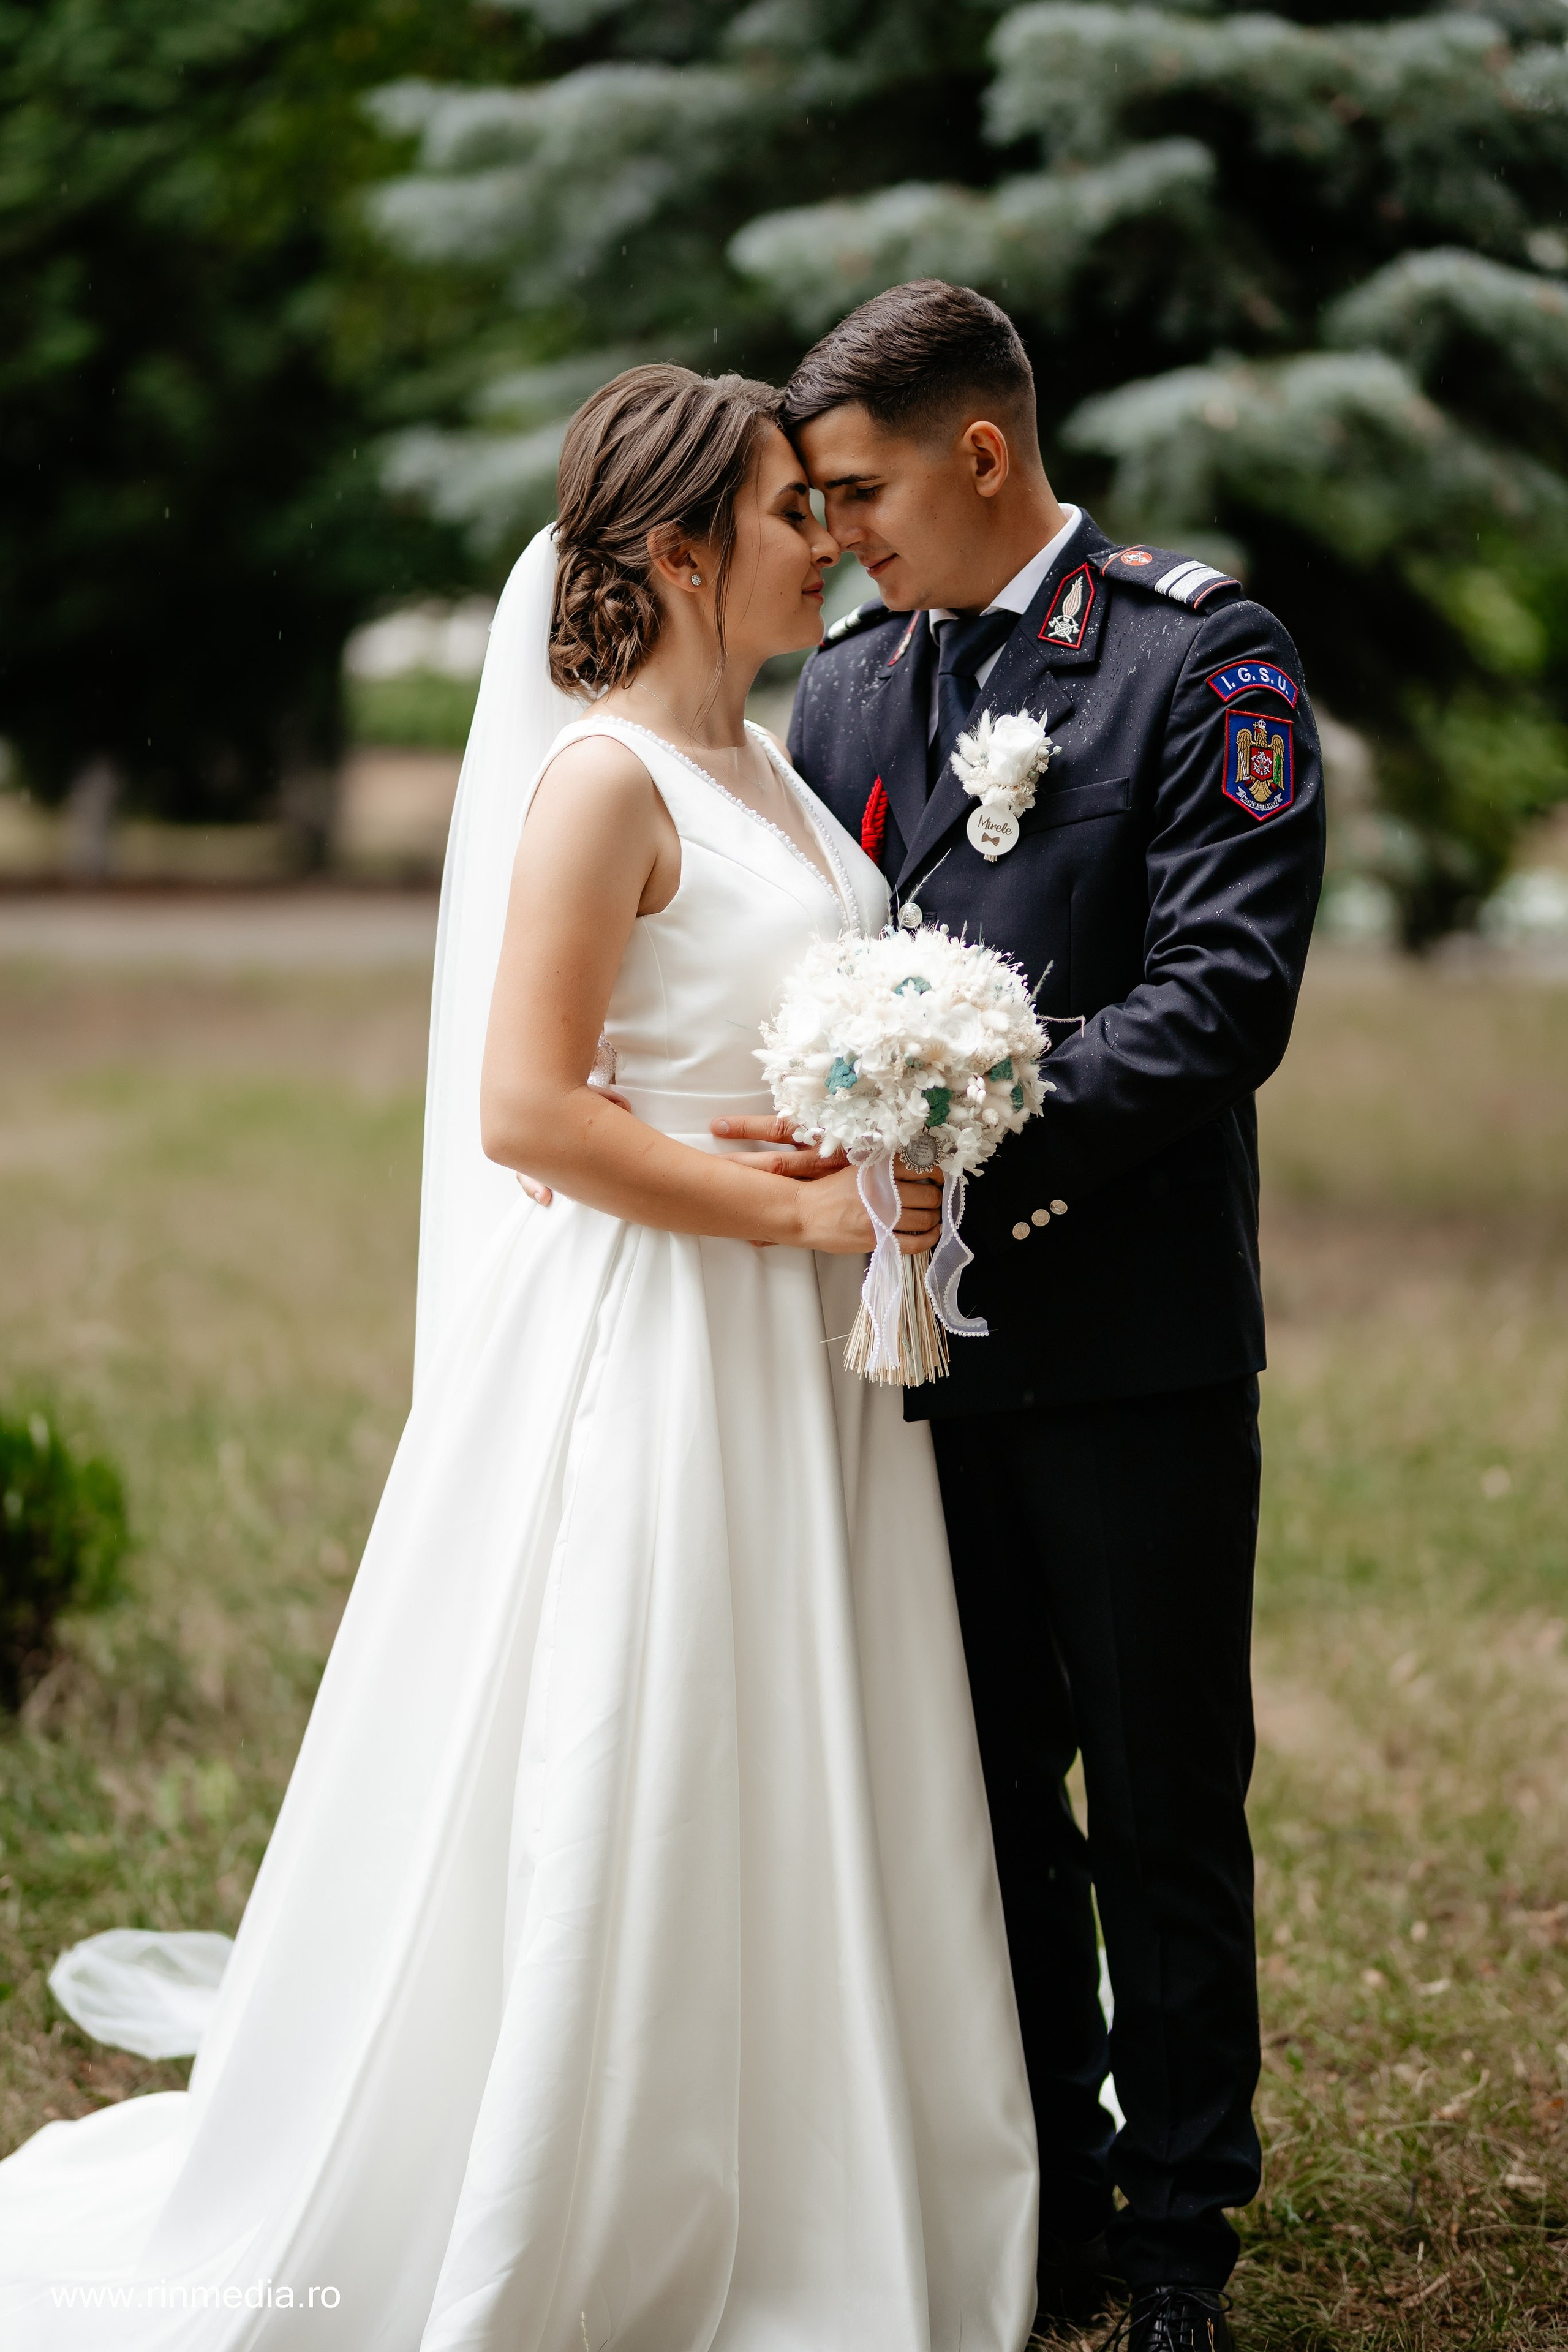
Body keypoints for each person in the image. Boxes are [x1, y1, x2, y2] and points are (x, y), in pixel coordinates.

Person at [0, 366, 1039, 2350]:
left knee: (805, 1727)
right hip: (657, 1346)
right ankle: (608, 2181)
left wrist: (881, 1147)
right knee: (644, 1734)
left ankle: (830, 2150)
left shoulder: (773, 776)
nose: (822, 540)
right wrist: (796, 1214)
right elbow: (529, 1111)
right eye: (782, 513)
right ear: (676, 550)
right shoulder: (602, 785)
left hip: (799, 1363)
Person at [719, 282, 1326, 2352]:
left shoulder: (1195, 659)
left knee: (1159, 1802)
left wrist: (975, 1140)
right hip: (902, 1356)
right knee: (975, 1794)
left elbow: (1221, 999)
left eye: (864, 489)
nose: (843, 537)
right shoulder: (856, 690)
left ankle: (1179, 2242)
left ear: (984, 453)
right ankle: (1048, 2193)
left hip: (1134, 1346)